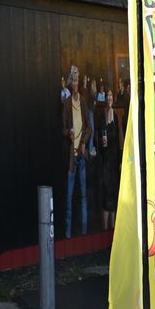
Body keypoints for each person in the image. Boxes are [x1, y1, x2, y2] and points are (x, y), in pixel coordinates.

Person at [61, 65, 91, 237]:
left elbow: (89, 128)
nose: (75, 83)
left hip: (81, 154)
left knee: (84, 197)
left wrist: (84, 143)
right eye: (73, 80)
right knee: (69, 198)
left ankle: (85, 233)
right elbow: (63, 128)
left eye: (77, 80)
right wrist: (69, 133)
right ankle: (68, 235)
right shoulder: (66, 103)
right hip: (71, 158)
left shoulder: (83, 102)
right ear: (69, 82)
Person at [99, 89, 121, 231]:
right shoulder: (102, 116)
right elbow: (101, 134)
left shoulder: (116, 116)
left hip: (113, 158)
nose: (109, 97)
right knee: (107, 191)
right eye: (107, 95)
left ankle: (112, 229)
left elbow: (118, 138)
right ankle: (105, 228)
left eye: (111, 95)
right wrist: (102, 143)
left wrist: (119, 160)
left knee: (113, 190)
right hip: (106, 159)